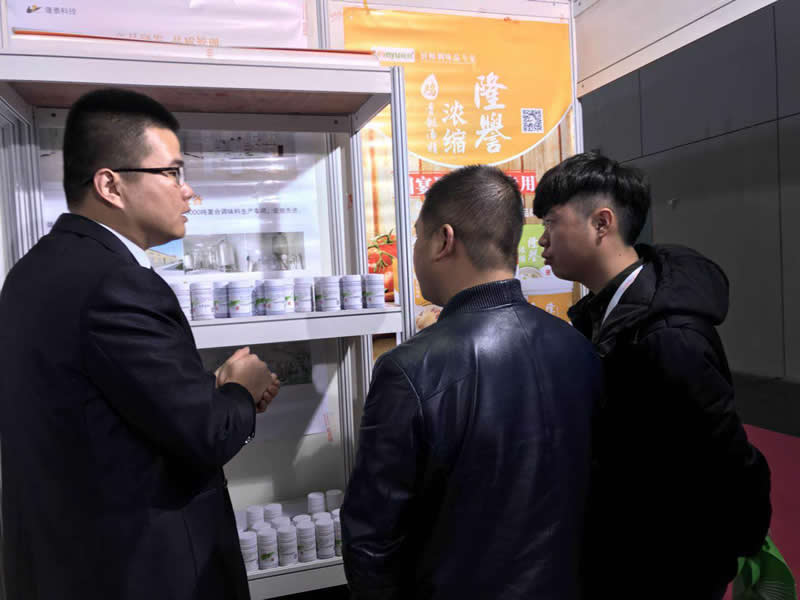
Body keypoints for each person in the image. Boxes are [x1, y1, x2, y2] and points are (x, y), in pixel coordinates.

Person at [0, 88, 280, 600]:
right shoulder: (116, 283)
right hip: (140, 570)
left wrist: (210, 389)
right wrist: (242, 387)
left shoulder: (32, 272)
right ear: (110, 184)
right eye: (171, 172)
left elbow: (113, 408)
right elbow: (207, 435)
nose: (188, 191)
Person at [341, 165, 604, 600]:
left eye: (417, 238)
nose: (413, 253)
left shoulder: (409, 369)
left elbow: (372, 539)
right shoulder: (577, 346)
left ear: (444, 240)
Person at [534, 151, 772, 600]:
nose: (543, 240)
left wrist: (731, 546)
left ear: (601, 223)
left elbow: (727, 459)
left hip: (667, 563)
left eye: (551, 222)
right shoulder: (606, 310)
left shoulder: (668, 335)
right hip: (627, 546)